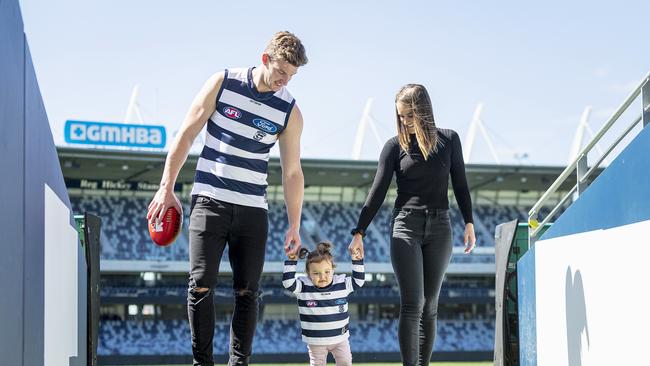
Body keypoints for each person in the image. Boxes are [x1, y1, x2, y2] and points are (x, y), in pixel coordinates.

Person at [146, 31, 308, 366]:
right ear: (265, 59)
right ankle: (202, 362)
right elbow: (187, 133)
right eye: (281, 71)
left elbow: (292, 172)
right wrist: (166, 187)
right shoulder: (222, 82)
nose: (284, 80)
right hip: (209, 201)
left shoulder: (290, 111)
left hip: (253, 210)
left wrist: (295, 225)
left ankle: (239, 362)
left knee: (248, 292)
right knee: (200, 285)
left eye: (291, 76)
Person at [347, 84, 476, 366]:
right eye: (400, 116)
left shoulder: (450, 140)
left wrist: (469, 222)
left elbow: (461, 185)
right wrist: (359, 231)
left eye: (409, 116)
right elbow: (377, 190)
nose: (404, 121)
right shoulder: (394, 147)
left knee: (430, 306)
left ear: (423, 112)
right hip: (405, 226)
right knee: (413, 305)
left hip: (441, 227)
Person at [282, 242, 365, 366]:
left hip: (340, 339)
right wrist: (291, 261)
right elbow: (288, 283)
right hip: (316, 341)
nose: (322, 277)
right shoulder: (303, 286)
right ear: (308, 273)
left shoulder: (341, 283)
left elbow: (358, 281)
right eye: (316, 273)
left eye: (327, 272)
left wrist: (356, 260)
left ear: (333, 269)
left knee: (346, 363)